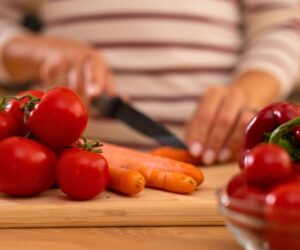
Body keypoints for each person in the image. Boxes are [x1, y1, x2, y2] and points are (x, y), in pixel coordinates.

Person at [0, 0, 299, 165]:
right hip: (71, 175)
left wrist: (246, 95)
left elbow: (287, 24)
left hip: (220, 166)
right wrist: (37, 50)